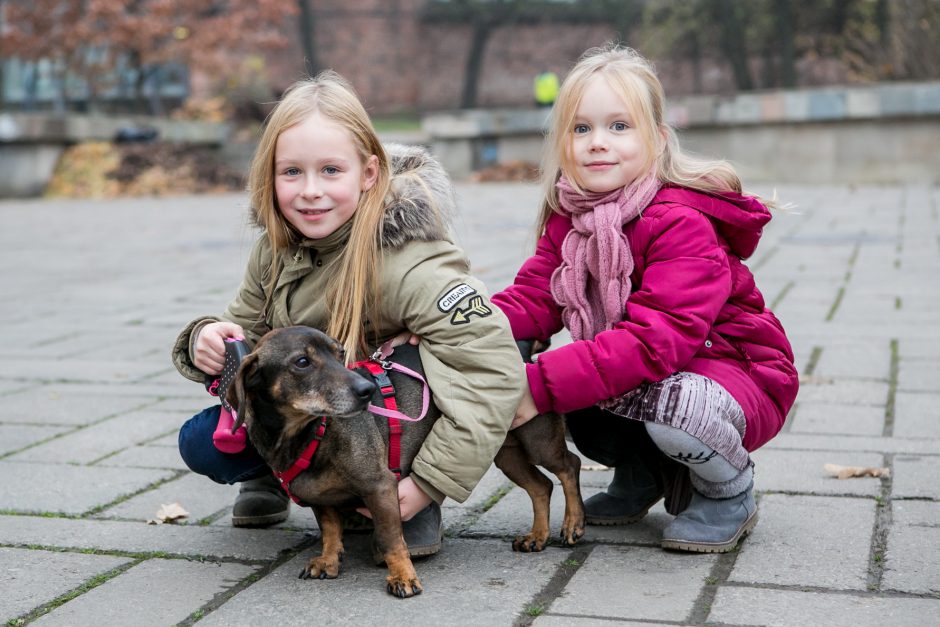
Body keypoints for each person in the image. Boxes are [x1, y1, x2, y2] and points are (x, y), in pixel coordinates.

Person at [171, 71, 525, 560]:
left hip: (388, 421)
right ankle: (277, 476)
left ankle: (402, 489)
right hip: (317, 413)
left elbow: (494, 370)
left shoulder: (409, 260)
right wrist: (208, 338)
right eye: (291, 172)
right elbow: (249, 340)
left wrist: (431, 481)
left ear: (369, 174)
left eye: (331, 171)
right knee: (201, 442)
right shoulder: (275, 251)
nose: (310, 191)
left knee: (421, 372)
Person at [492, 44, 799, 553]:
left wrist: (539, 386)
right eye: (581, 128)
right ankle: (643, 475)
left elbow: (659, 341)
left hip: (735, 375)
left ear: (656, 140)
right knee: (586, 392)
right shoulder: (570, 217)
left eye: (619, 126)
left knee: (663, 405)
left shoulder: (680, 222)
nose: (597, 143)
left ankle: (729, 491)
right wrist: (454, 324)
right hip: (653, 372)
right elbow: (533, 297)